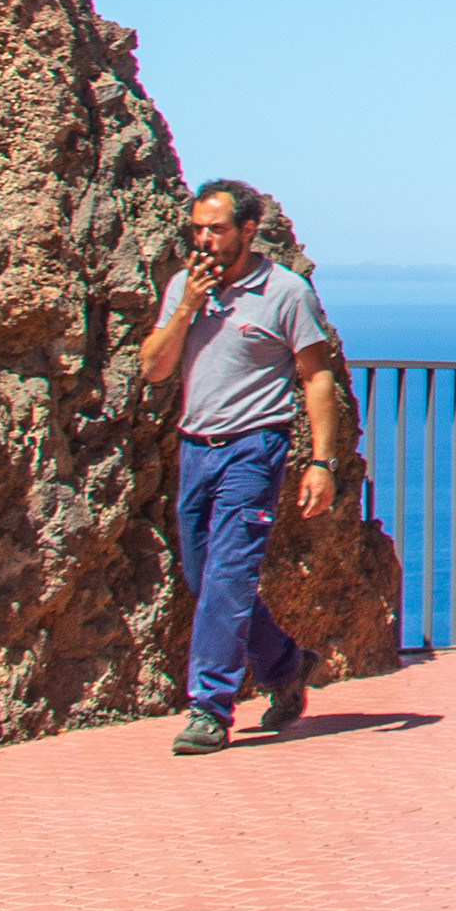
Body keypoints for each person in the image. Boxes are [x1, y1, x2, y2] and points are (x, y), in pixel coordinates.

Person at [138, 179, 340, 755]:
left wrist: (321, 462)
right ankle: (285, 664)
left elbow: (315, 377)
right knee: (203, 579)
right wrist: (184, 309)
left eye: (216, 229)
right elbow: (153, 369)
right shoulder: (184, 285)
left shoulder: (285, 292)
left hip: (254, 449)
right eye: (197, 228)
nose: (204, 239)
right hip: (194, 447)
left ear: (247, 231)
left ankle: (209, 708)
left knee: (229, 576)